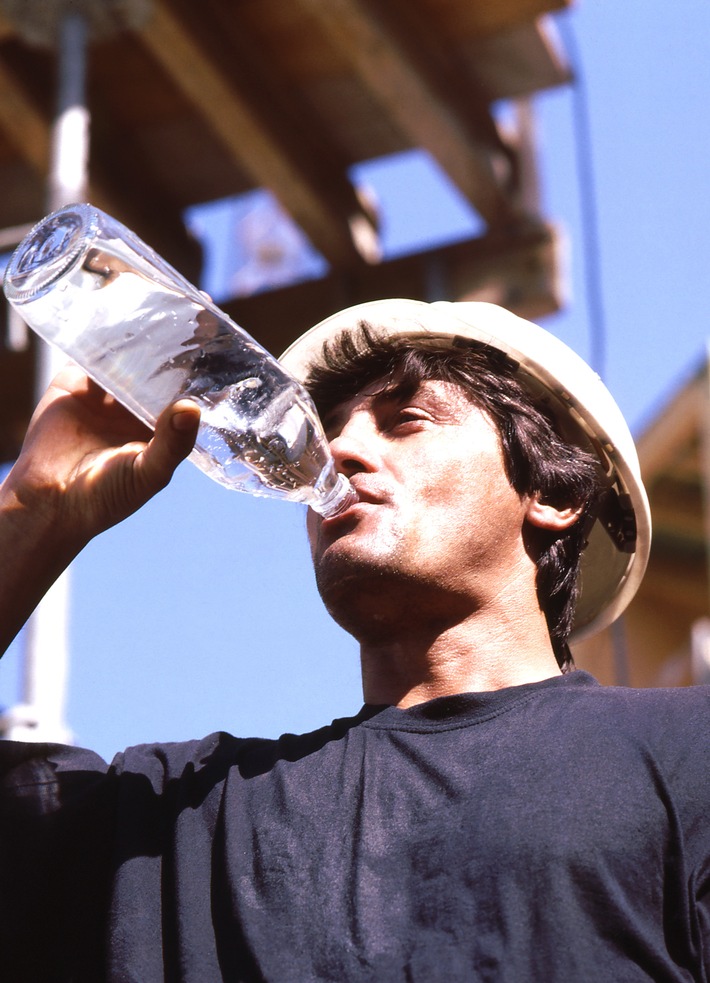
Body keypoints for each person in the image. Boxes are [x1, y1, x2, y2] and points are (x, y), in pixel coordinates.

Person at [0, 298, 707, 982]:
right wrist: (31, 517)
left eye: (406, 421)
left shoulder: (686, 759)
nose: (338, 450)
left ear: (553, 496)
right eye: (327, 428)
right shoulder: (173, 823)